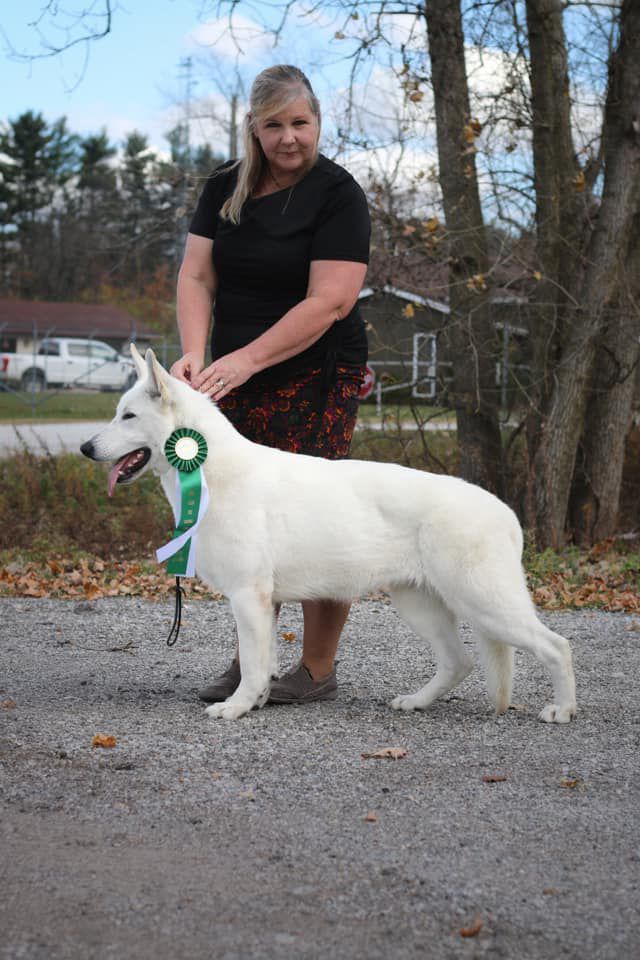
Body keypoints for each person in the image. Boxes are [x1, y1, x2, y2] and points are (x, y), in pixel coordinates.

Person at [171, 64, 370, 705]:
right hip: (231, 372)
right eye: (274, 125)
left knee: (317, 516)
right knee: (241, 520)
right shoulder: (223, 187)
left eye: (301, 123)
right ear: (253, 128)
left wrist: (248, 360)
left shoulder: (338, 194)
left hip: (316, 370)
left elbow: (331, 301)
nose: (289, 138)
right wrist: (196, 356)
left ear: (318, 121)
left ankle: (316, 670)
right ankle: (250, 664)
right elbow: (197, 277)